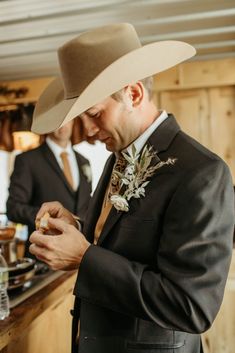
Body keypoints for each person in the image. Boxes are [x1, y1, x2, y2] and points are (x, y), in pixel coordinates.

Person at [29, 23, 234, 353]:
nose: (89, 131)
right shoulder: (116, 157)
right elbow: (124, 241)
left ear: (134, 94)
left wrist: (84, 258)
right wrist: (78, 228)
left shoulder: (202, 173)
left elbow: (191, 307)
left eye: (94, 114)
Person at [7, 120, 92, 257]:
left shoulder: (84, 161)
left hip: (79, 254)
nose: (63, 124)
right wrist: (49, 219)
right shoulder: (27, 160)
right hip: (43, 254)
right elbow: (13, 208)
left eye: (67, 119)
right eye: (58, 119)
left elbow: (86, 204)